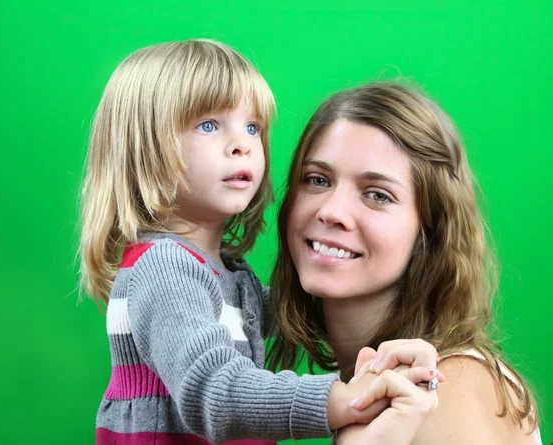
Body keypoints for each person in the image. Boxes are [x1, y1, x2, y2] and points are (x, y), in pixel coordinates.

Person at [79, 40, 440, 445]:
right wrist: (343, 398)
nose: (243, 144)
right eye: (208, 125)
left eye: (252, 127)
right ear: (142, 150)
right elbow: (215, 392)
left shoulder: (223, 274)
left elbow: (289, 309)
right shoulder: (164, 269)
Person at [267, 81, 542, 444]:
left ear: (428, 231)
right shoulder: (378, 392)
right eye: (318, 180)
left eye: (377, 194)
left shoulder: (448, 387)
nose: (331, 211)